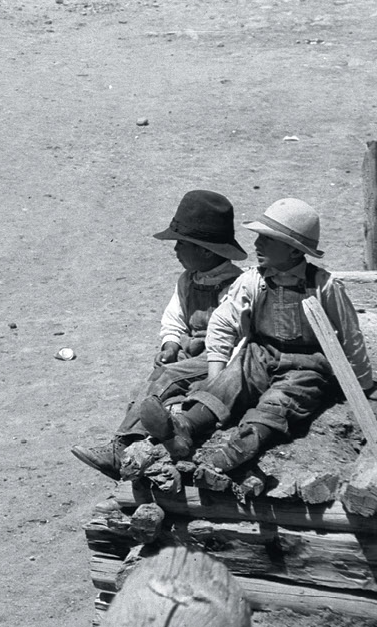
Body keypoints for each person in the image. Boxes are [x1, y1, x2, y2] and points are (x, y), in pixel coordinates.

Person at [129, 197, 372, 492]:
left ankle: (243, 444)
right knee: (232, 381)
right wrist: (218, 375)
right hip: (259, 354)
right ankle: (184, 429)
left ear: (294, 249)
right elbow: (222, 323)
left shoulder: (323, 285)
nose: (257, 244)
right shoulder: (253, 280)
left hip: (308, 363)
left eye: (267, 240)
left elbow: (350, 335)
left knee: (284, 398)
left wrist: (362, 385)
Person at [72, 190, 247, 478]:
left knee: (166, 378)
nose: (175, 250)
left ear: (204, 250)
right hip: (190, 360)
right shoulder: (187, 281)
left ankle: (122, 446)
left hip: (219, 362)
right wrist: (171, 343)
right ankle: (135, 446)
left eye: (181, 244)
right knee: (152, 381)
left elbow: (233, 340)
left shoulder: (236, 286)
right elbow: (174, 318)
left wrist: (210, 373)